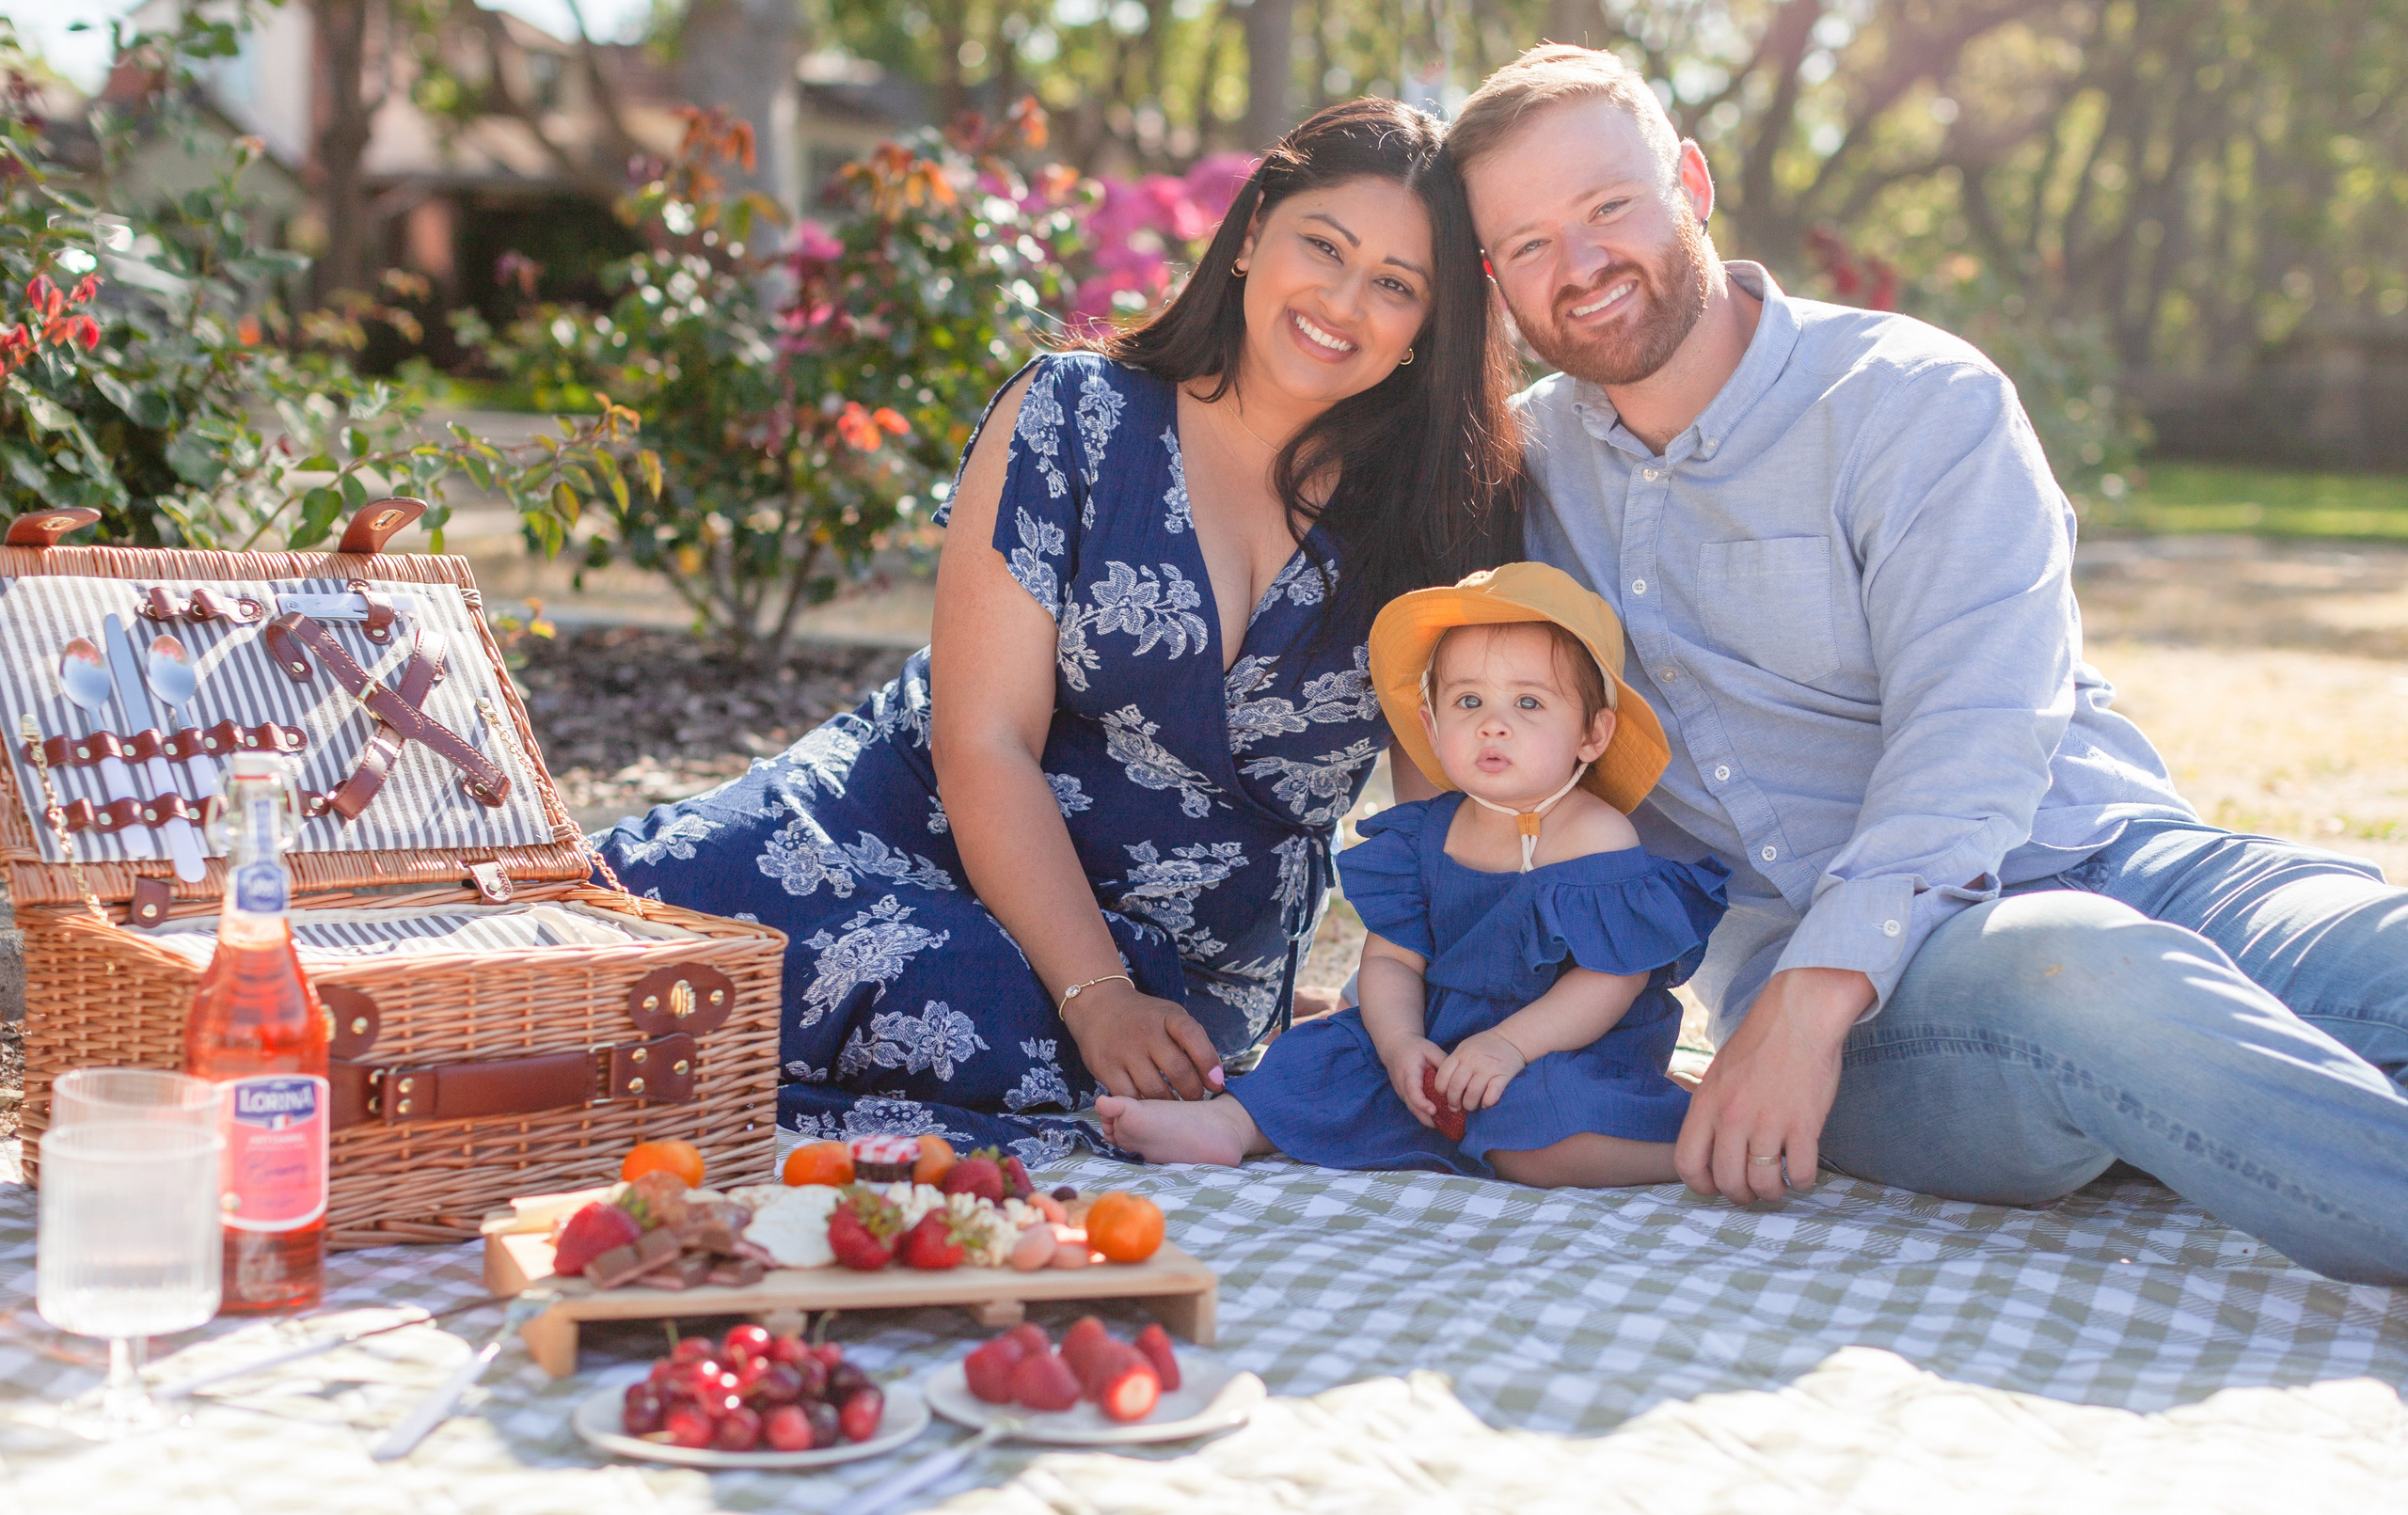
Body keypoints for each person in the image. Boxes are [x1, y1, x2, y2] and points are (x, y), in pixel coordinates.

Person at [1442, 44, 2408, 1282]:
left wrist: (1811, 992)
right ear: (1494, 279)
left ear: (1692, 181)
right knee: (2083, 973)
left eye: (1608, 206)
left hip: (2125, 858)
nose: (1579, 265)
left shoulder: (1913, 400)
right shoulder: (1519, 478)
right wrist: (1806, 994)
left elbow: (1977, 724)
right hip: (1908, 1002)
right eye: (1527, 243)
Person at [589, 99, 1521, 1162]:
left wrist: (1451, 1021)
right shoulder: (1073, 413)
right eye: (1325, 246)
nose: (1344, 302)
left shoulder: (1434, 519)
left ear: (1428, 326)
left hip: (1181, 967)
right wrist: (1096, 993)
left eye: (1396, 284)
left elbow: (1446, 815)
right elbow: (982, 739)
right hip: (892, 826)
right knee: (621, 944)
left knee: (968, 1015)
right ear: (1253, 230)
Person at [1101, 563, 1728, 1183]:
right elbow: (1392, 963)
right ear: (1432, 724)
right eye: (1468, 700)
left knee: (1544, 1121)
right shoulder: (1420, 836)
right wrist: (1401, 1044)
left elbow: (1611, 981)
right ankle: (1229, 1125)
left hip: (1563, 1046)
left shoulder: (1595, 836)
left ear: (1592, 733)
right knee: (1318, 1053)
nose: (1493, 722)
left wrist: (1510, 1046)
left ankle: (1695, 1152)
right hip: (1436, 1038)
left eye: (1529, 702)